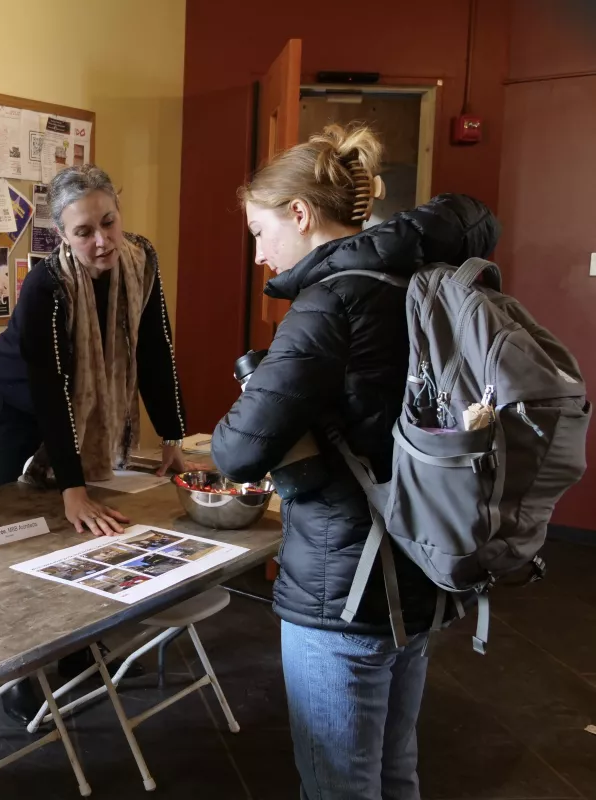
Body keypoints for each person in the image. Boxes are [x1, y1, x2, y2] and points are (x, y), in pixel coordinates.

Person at [210, 123, 500, 800]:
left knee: (340, 786)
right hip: (423, 564)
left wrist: (263, 394)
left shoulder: (329, 302)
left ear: (301, 214)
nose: (258, 254)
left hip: (344, 588)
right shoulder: (420, 279)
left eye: (258, 231)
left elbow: (237, 449)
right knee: (395, 771)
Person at [0, 164, 192, 721]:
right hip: (16, 410)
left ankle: (79, 654)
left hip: (81, 413)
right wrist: (72, 486)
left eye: (108, 223)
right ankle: (22, 676)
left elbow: (154, 348)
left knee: (84, 543)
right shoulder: (47, 284)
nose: (101, 242)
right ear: (62, 237)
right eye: (83, 232)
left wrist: (172, 436)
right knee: (25, 541)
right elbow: (52, 390)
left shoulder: (141, 260)